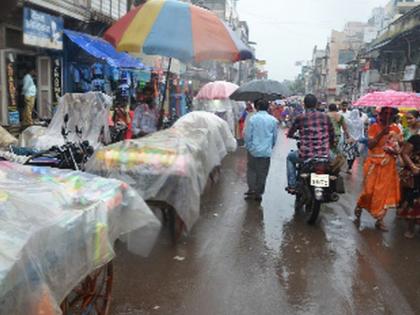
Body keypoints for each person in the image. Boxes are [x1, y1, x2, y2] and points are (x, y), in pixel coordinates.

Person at [354, 107, 402, 231]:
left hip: (388, 165)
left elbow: (399, 148)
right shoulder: (374, 127)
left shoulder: (396, 129)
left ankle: (380, 219)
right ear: (380, 114)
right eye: (385, 113)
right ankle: (360, 205)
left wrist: (394, 150)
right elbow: (370, 145)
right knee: (369, 191)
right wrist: (382, 133)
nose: (387, 116)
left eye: (390, 114)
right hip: (373, 164)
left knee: (383, 193)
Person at [286, 94, 335, 194]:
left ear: (304, 105)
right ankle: (332, 188)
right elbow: (332, 133)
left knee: (290, 158)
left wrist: (290, 135)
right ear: (317, 104)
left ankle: (292, 185)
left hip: (306, 155)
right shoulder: (325, 117)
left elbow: (291, 132)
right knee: (334, 162)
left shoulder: (300, 117)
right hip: (325, 154)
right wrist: (330, 144)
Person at [244, 99, 278, 202]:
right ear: (268, 108)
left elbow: (248, 135)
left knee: (252, 170)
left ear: (257, 107)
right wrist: (270, 147)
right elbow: (274, 137)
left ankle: (252, 190)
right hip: (266, 152)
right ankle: (259, 193)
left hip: (253, 150)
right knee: (263, 172)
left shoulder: (252, 119)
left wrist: (249, 147)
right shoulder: (273, 120)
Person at [399, 130, 420, 238]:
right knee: (415, 201)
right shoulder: (416, 138)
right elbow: (404, 153)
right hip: (416, 174)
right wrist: (413, 167)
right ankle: (410, 228)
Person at [343, 109, 364, 174]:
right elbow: (362, 130)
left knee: (349, 154)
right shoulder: (360, 121)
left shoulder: (348, 121)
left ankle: (349, 167)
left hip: (350, 140)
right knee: (354, 154)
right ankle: (350, 167)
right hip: (357, 140)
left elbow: (345, 129)